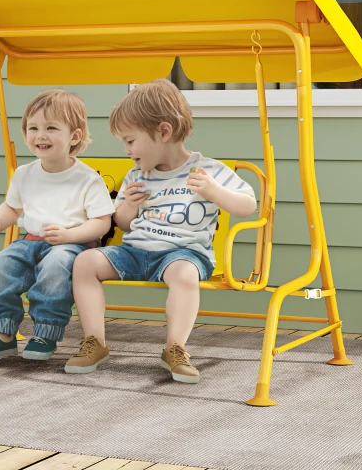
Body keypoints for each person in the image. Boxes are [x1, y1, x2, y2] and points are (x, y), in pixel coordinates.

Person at [65, 79, 256, 383]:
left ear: (164, 132)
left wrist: (215, 191)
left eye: (130, 141)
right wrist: (129, 208)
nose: (127, 150)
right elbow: (125, 224)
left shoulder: (207, 171)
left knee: (183, 274)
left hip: (182, 255)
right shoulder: (137, 175)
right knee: (84, 262)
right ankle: (95, 342)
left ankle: (175, 348)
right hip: (135, 252)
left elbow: (247, 205)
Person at [0, 89, 114, 364]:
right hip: (30, 241)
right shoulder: (24, 173)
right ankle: (1, 336)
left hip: (72, 245)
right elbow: (13, 208)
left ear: (74, 137)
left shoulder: (87, 179)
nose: (40, 135)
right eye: (33, 128)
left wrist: (69, 235)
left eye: (51, 127)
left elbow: (101, 223)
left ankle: (45, 334)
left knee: (55, 267)